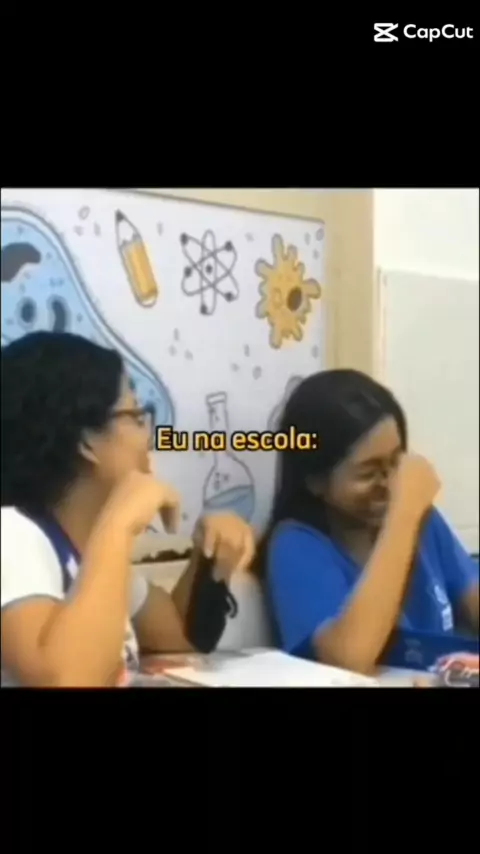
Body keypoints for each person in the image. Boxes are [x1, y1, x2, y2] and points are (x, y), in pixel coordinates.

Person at [1, 332, 255, 688]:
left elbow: (177, 639)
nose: (148, 436)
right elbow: (67, 681)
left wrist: (209, 554)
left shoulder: (93, 555)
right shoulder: (12, 535)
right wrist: (119, 522)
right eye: (135, 416)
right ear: (87, 441)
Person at [259, 370, 479, 675]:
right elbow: (350, 658)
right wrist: (403, 514)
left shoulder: (425, 522)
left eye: (396, 462)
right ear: (315, 480)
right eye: (368, 472)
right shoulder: (296, 545)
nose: (390, 484)